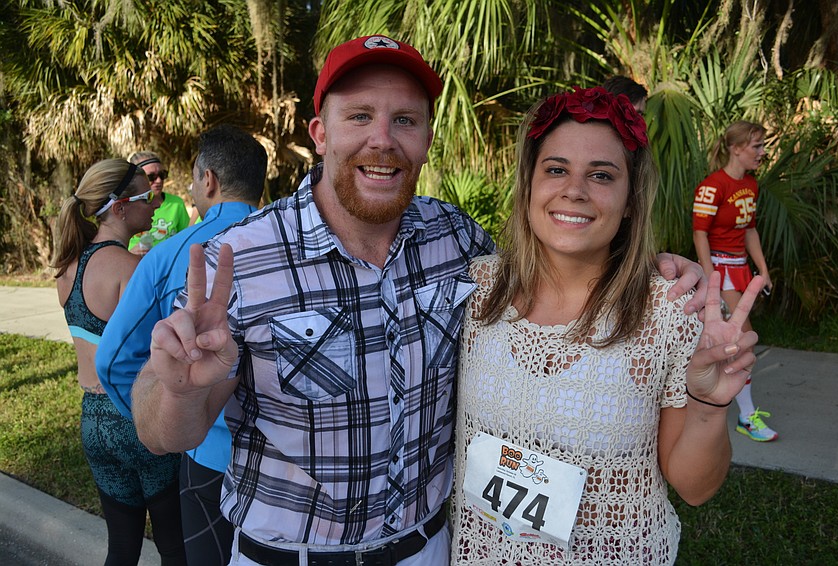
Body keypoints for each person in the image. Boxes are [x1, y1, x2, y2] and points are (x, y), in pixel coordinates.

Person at [130, 36, 706, 566]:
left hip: (428, 551)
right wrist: (178, 389)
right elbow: (164, 433)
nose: (383, 139)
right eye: (359, 116)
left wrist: (650, 270)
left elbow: (558, 258)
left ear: (428, 138)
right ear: (320, 132)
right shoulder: (241, 260)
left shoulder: (457, 242)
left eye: (404, 119)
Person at [450, 88, 764, 564]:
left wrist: (707, 404)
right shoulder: (477, 288)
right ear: (528, 185)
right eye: (555, 169)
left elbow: (696, 489)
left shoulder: (668, 313)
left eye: (601, 175)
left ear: (632, 200)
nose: (574, 190)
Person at [96, 125, 267, 565]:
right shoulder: (292, 245)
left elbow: (112, 359)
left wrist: (154, 421)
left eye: (193, 178)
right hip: (282, 466)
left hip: (207, 458)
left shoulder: (172, 254)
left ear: (207, 179)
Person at [51, 159, 186, 566]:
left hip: (93, 419)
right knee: (174, 545)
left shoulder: (67, 268)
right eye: (148, 196)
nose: (156, 202)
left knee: (122, 548)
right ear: (121, 206)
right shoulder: (132, 270)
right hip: (137, 416)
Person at [692, 120, 777, 442]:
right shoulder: (712, 186)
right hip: (721, 271)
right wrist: (710, 275)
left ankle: (710, 398)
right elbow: (700, 232)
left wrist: (763, 269)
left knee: (727, 343)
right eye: (757, 146)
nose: (763, 152)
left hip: (741, 269)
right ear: (735, 148)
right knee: (741, 341)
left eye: (762, 145)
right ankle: (746, 416)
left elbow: (749, 230)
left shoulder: (751, 184)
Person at [128, 151, 191, 253]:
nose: (158, 181)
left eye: (162, 175)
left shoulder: (176, 204)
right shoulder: (127, 206)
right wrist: (131, 254)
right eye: (151, 177)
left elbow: (185, 239)